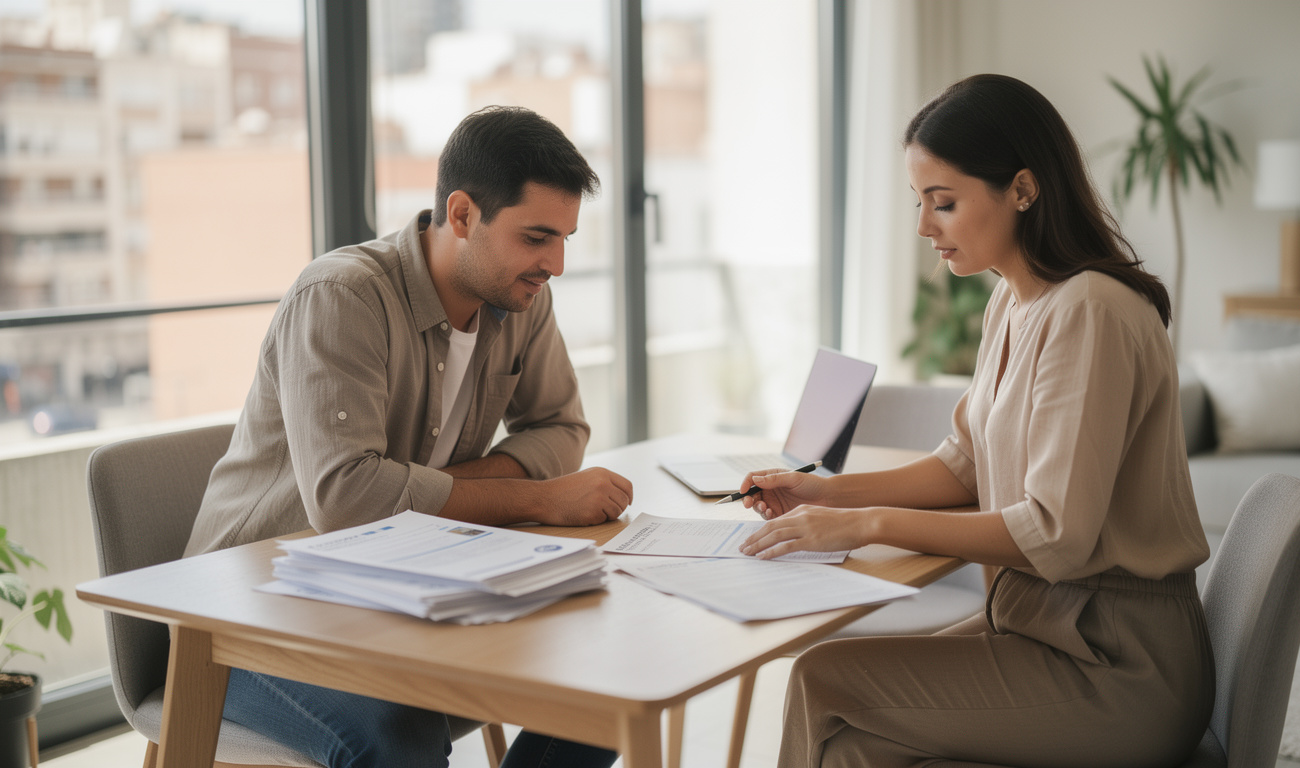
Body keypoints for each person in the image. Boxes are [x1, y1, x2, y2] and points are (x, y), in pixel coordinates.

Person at [737, 74, 1214, 767]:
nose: (924, 227)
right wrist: (822, 492)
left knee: (823, 676)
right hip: (1039, 629)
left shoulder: (1090, 311)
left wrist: (863, 524)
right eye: (920, 203)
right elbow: (963, 465)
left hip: (1117, 664)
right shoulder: (1012, 303)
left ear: (1022, 189)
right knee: (853, 747)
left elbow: (1058, 532)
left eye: (944, 203)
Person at [185, 106, 631, 768]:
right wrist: (540, 499)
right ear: (461, 214)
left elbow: (564, 428)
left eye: (565, 238)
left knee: (603, 680)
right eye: (537, 236)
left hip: (398, 587)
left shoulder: (518, 298)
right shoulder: (342, 297)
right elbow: (348, 500)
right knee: (399, 738)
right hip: (247, 614)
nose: (555, 265)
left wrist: (435, 493)